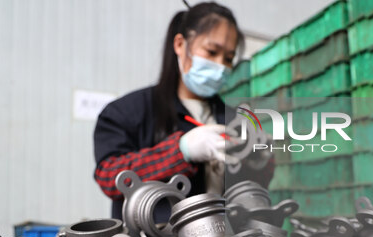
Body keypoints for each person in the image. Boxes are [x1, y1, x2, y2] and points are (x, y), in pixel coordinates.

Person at [93, 2, 272, 220]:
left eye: (228, 58)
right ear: (180, 44)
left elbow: (252, 190)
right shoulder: (128, 112)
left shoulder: (235, 119)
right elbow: (109, 177)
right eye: (211, 51)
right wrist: (181, 151)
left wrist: (262, 159)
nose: (220, 67)